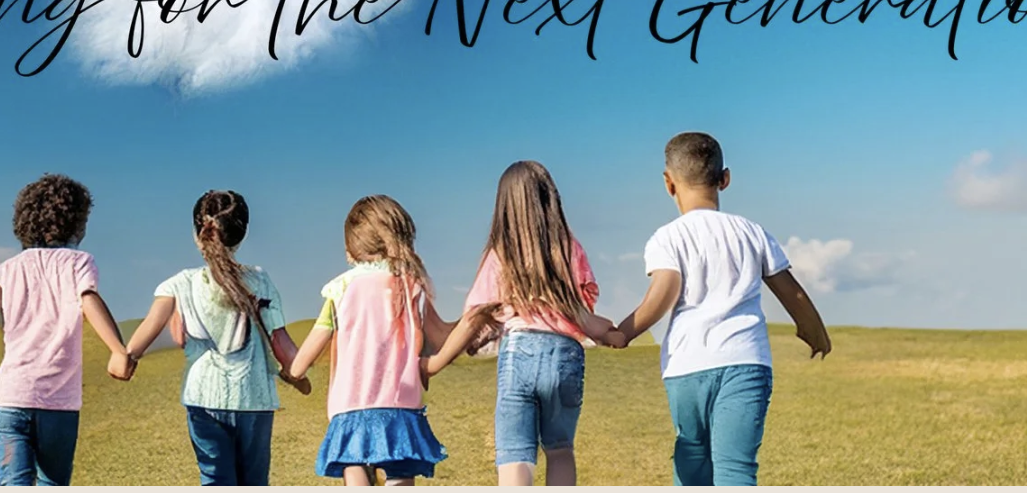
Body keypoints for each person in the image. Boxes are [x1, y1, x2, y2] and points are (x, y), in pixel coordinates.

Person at [610, 132, 833, 486]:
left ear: (669, 184)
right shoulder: (751, 231)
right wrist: (814, 330)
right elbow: (791, 291)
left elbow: (665, 290)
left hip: (687, 368)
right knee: (736, 469)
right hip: (745, 363)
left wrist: (624, 331)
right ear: (725, 179)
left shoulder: (667, 237)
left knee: (692, 457)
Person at [422, 160, 625, 486]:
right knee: (560, 450)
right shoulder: (569, 249)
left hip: (520, 354)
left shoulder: (501, 254)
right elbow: (580, 312)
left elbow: (474, 318)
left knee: (515, 453)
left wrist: (433, 364)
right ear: (551, 200)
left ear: (503, 207)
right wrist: (610, 332)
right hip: (566, 357)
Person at [112, 190, 312, 485]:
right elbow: (280, 342)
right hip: (255, 399)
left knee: (215, 480)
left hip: (202, 399)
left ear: (197, 234)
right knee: (254, 482)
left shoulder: (179, 283)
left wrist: (125, 356)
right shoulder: (260, 279)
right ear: (241, 234)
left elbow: (148, 330)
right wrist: (297, 374)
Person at [0, 173, 128, 486]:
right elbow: (88, 299)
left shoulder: (7, 269)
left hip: (12, 400)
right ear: (78, 223)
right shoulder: (78, 262)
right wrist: (118, 350)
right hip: (59, 405)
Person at [289, 195, 449, 486]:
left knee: (355, 471)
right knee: (400, 479)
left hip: (350, 407)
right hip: (399, 406)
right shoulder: (411, 286)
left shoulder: (341, 289)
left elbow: (304, 358)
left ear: (353, 247)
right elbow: (440, 337)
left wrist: (293, 371)